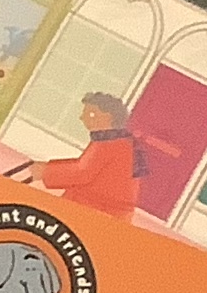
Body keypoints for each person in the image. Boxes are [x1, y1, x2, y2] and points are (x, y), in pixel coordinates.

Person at [10, 92, 144, 220]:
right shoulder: (118, 141)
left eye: (90, 113)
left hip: (98, 211)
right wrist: (48, 169)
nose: (82, 118)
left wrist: (46, 171)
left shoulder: (110, 142)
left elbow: (82, 172)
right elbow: (85, 167)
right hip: (98, 207)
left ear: (107, 117)